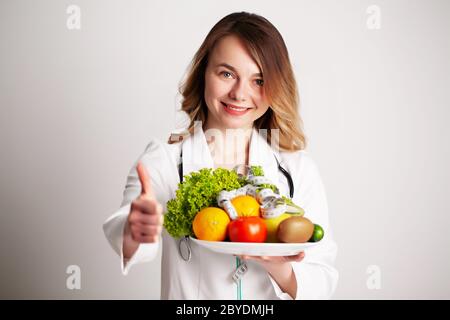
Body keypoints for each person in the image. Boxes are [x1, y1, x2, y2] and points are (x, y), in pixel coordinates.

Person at [103, 11, 338, 300]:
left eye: (259, 80)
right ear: (204, 73)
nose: (240, 93)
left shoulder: (298, 169)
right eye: (227, 74)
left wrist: (282, 270)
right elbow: (128, 238)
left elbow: (323, 279)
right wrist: (135, 228)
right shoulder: (165, 160)